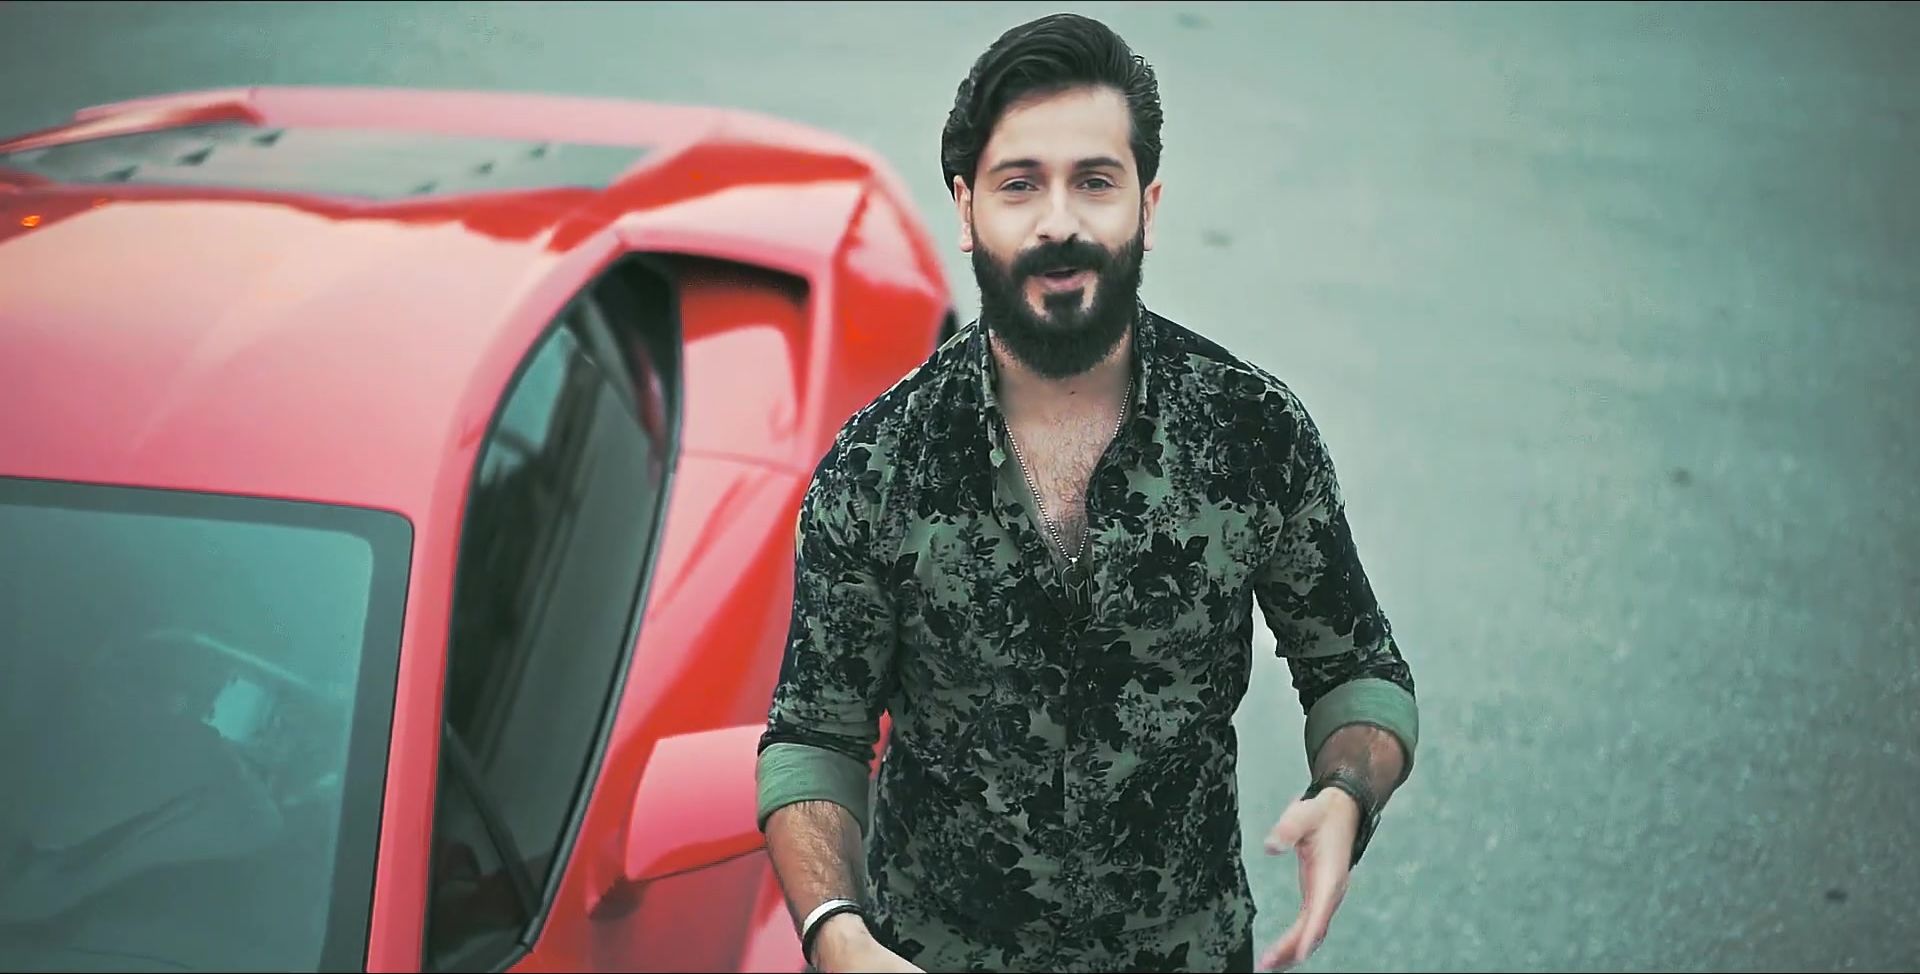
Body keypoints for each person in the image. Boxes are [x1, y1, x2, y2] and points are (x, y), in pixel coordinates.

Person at [754, 12, 1418, 973]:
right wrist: (835, 932)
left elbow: (1358, 669)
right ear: (965, 208)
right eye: (1019, 183)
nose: (1059, 221)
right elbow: (815, 739)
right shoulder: (875, 468)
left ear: (1148, 205)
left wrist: (1347, 791)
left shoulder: (1253, 433)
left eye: (1095, 181)